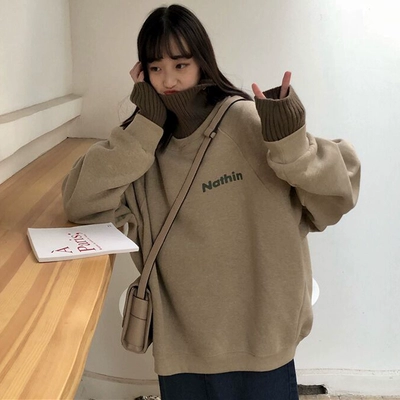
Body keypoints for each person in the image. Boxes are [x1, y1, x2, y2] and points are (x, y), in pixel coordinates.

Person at [62, 4, 360, 400]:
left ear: (202, 63)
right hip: (181, 346)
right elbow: (80, 202)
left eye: (180, 65)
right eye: (155, 67)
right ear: (141, 72)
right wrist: (144, 125)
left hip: (259, 342)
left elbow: (337, 195)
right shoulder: (144, 143)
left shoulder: (246, 122)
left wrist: (290, 140)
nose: (168, 80)